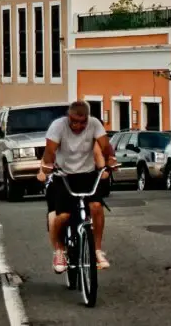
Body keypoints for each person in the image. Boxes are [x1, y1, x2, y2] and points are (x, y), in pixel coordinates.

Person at [38, 101, 116, 273]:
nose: (78, 126)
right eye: (74, 121)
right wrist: (48, 166)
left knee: (96, 206)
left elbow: (105, 146)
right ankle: (59, 250)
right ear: (68, 117)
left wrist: (111, 160)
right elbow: (49, 151)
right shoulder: (57, 126)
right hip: (64, 175)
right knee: (63, 216)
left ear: (87, 118)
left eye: (83, 122)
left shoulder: (94, 124)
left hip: (87, 175)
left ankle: (97, 250)